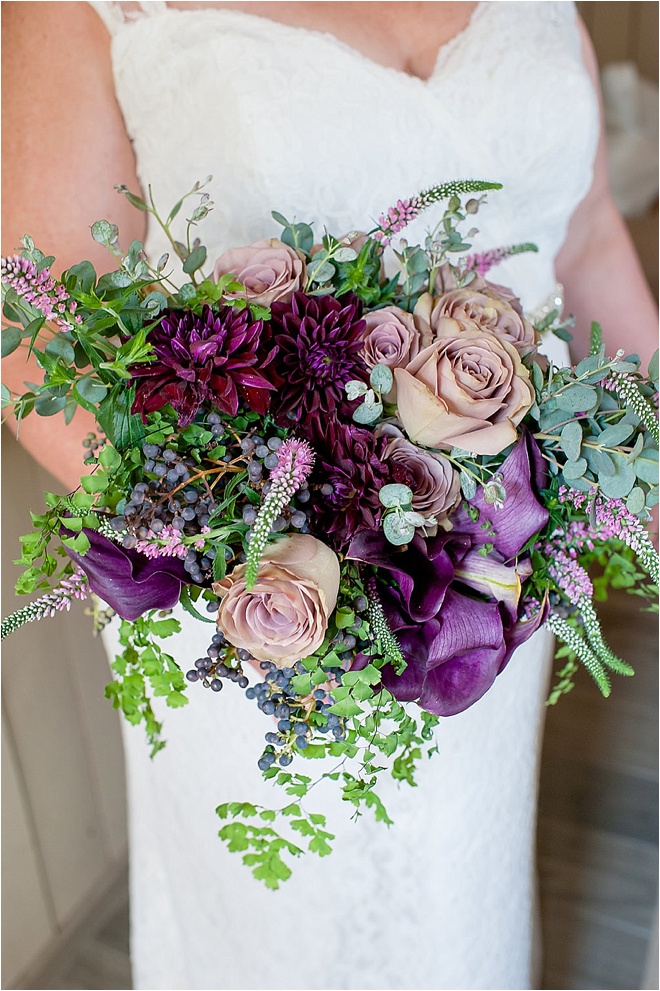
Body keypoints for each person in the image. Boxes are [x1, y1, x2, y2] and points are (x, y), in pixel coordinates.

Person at [3, 3, 657, 989]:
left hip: (486, 573)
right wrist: (275, 555)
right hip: (251, 596)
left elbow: (587, 244)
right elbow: (36, 327)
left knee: (455, 875)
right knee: (280, 922)